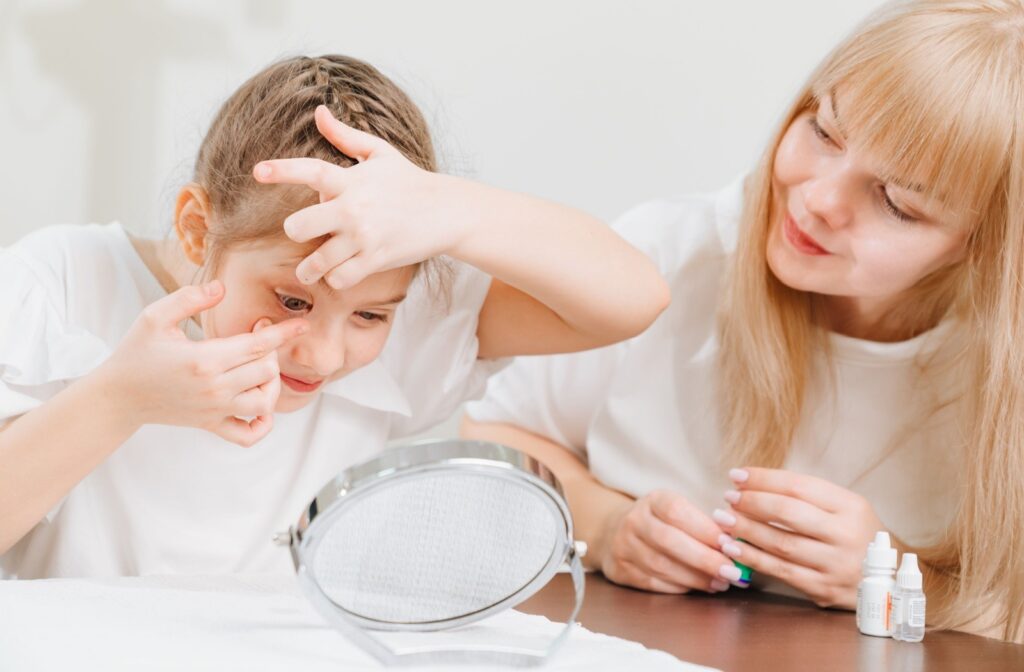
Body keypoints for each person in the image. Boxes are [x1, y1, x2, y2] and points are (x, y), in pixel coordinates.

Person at [463, 0, 1024, 642]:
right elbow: (496, 436)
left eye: (896, 202)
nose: (817, 200)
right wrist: (603, 525)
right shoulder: (672, 254)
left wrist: (900, 578)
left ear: (985, 246)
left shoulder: (998, 366)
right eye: (824, 131)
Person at [0, 54, 669, 578]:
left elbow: (635, 298)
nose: (322, 355)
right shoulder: (60, 282)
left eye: (371, 317)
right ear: (198, 231)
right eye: (292, 300)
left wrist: (451, 211)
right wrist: (120, 399)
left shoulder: (413, 323)